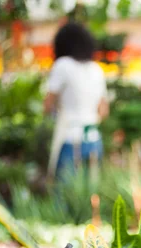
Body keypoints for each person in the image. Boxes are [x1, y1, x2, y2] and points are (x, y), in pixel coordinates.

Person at [44, 22, 109, 180]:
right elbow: (103, 111)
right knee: (89, 196)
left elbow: (47, 105)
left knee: (64, 197)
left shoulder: (62, 65)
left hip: (69, 139)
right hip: (93, 139)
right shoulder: (96, 69)